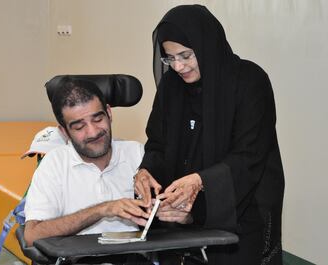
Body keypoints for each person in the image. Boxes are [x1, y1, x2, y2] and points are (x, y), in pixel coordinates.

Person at [134, 5, 285, 265]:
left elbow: (249, 157)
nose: (179, 67)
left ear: (206, 46)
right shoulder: (171, 86)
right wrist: (146, 171)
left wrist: (200, 181)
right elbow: (158, 143)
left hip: (241, 218)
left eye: (186, 55)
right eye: (169, 58)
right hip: (180, 221)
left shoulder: (250, 81)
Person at [23, 77, 150, 248]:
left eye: (98, 119)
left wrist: (182, 215)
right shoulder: (54, 164)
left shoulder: (137, 153)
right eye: (79, 127)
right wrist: (102, 210)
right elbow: (32, 235)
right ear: (64, 132)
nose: (93, 132)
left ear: (109, 113)